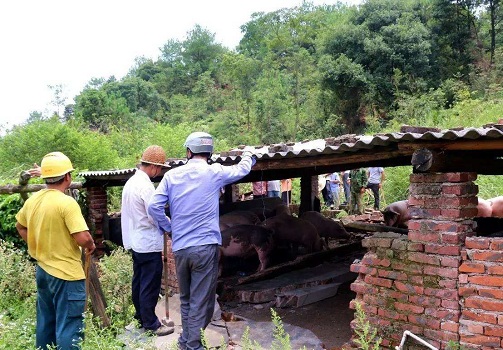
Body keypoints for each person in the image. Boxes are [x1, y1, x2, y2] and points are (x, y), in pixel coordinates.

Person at [147, 132, 255, 350]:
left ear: (188, 151)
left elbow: (153, 207)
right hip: (205, 248)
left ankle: (185, 342)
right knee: (202, 302)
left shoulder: (171, 176)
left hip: (181, 248)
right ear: (209, 152)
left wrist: (170, 228)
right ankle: (193, 345)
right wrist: (249, 155)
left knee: (186, 299)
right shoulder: (214, 171)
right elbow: (241, 170)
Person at [15, 152, 96, 350]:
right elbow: (82, 237)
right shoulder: (66, 203)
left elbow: (20, 226)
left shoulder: (33, 201)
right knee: (69, 325)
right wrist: (91, 245)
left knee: (46, 323)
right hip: (66, 275)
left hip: (43, 271)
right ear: (67, 177)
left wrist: (37, 242)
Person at [121, 145, 173, 336]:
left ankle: (141, 318)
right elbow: (154, 212)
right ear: (154, 167)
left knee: (139, 282)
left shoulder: (131, 183)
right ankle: (151, 323)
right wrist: (169, 225)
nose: (159, 172)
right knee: (149, 285)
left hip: (137, 241)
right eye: (159, 169)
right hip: (148, 241)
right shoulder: (145, 185)